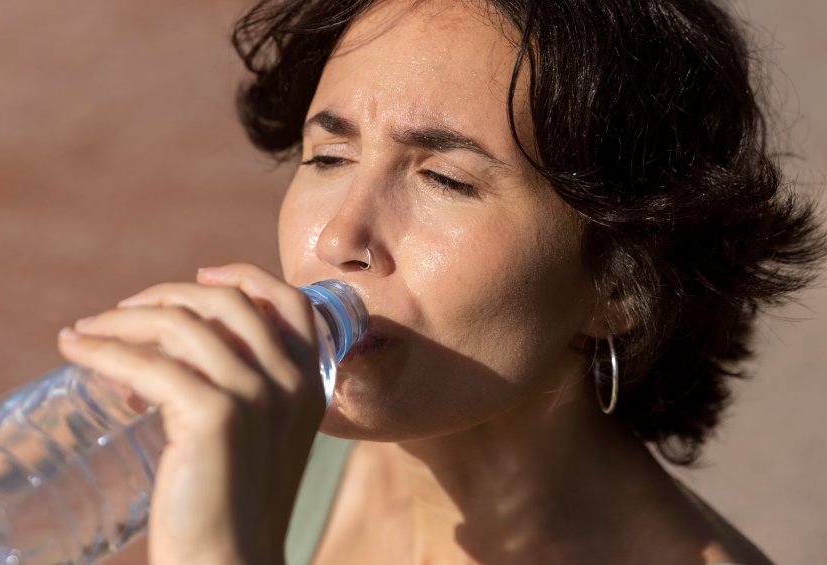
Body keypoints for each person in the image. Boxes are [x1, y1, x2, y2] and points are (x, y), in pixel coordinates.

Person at [57, 0, 824, 563]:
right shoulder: (273, 433)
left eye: (446, 179)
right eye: (328, 158)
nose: (338, 238)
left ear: (621, 284)